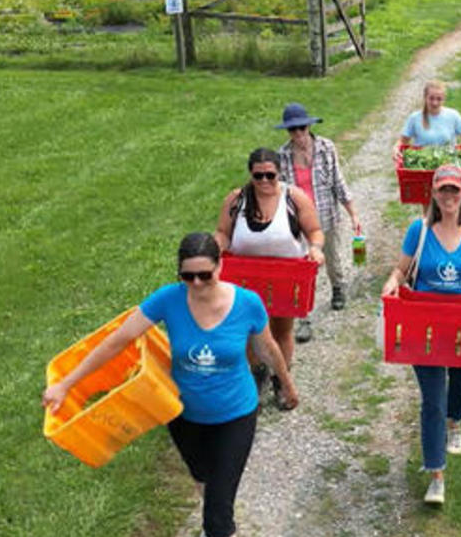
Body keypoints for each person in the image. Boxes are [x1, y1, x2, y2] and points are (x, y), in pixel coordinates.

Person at [42, 232, 298, 537]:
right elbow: (118, 341)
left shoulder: (247, 304)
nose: (197, 284)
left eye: (205, 275)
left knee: (217, 518)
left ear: (220, 268)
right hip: (183, 415)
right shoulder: (168, 299)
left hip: (236, 415)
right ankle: (217, 511)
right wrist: (66, 384)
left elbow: (267, 349)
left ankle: (220, 523)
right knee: (202, 477)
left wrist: (286, 384)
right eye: (188, 277)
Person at [380, 165, 461, 506]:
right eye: (443, 190)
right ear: (434, 194)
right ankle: (436, 473)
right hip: (424, 324)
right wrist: (394, 281)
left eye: (455, 190)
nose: (449, 196)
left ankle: (457, 422)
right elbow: (403, 268)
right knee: (433, 401)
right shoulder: (419, 230)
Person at [214, 148, 324, 405]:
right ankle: (257, 373)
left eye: (270, 175)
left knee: (281, 328)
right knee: (248, 330)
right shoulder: (236, 200)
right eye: (258, 176)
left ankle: (280, 377)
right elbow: (223, 232)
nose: (264, 181)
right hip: (245, 278)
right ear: (250, 174)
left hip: (285, 277)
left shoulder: (294, 198)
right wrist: (215, 246)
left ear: (279, 173)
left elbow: (314, 230)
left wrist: (316, 248)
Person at [275, 103, 362, 326]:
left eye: (302, 128)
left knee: (333, 257)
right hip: (300, 222)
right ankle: (304, 316)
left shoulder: (326, 147)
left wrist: (353, 214)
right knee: (305, 266)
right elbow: (280, 192)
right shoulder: (282, 156)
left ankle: (338, 288)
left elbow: (338, 182)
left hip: (327, 215)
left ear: (309, 126)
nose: (298, 134)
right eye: (292, 130)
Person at [392, 80, 461, 165]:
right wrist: (396, 149)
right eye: (431, 98)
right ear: (425, 98)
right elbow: (402, 141)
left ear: (443, 99)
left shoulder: (453, 115)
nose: (435, 103)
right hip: (422, 165)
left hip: (448, 164)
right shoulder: (414, 118)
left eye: (439, 99)